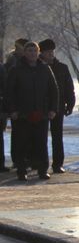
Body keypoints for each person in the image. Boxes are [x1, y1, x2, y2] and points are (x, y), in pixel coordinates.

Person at [6, 42, 58, 181]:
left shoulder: (45, 68)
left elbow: (53, 90)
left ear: (38, 52)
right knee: (21, 144)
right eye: (29, 51)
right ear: (24, 52)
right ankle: (21, 171)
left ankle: (42, 170)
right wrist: (13, 110)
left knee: (41, 144)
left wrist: (53, 109)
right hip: (22, 115)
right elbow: (9, 92)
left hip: (41, 114)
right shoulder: (16, 69)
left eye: (35, 51)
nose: (32, 53)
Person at [38, 40, 76, 173]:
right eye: (47, 52)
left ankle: (57, 163)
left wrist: (70, 104)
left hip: (58, 106)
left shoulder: (62, 68)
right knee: (39, 137)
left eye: (52, 52)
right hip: (40, 107)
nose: (51, 54)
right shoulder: (37, 67)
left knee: (57, 137)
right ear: (41, 53)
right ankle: (39, 163)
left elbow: (68, 88)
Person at [2, 39, 27, 173]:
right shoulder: (11, 65)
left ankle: (24, 160)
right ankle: (18, 160)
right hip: (14, 104)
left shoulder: (33, 64)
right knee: (17, 134)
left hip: (26, 104)